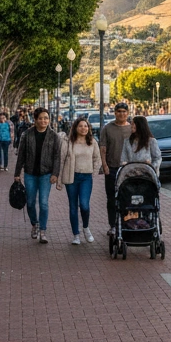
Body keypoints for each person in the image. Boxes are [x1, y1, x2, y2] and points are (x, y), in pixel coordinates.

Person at [13, 107, 61, 243]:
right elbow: (21, 155)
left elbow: (57, 157)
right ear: (35, 120)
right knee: (30, 202)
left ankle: (43, 230)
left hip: (46, 174)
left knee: (44, 203)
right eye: (40, 118)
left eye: (46, 118)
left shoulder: (54, 136)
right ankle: (35, 224)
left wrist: (55, 174)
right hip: (30, 174)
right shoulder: (27, 135)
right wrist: (17, 173)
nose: (43, 120)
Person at [57, 116, 102, 245]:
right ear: (75, 128)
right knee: (73, 206)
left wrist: (93, 172)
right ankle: (76, 235)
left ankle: (86, 228)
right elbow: (61, 160)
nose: (84, 128)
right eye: (81, 126)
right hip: (72, 177)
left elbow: (97, 159)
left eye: (86, 126)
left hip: (86, 177)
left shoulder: (92, 142)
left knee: (84, 205)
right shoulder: (69, 142)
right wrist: (59, 179)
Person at [99, 103, 133, 234]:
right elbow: (103, 148)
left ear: (128, 113)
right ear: (115, 113)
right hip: (112, 168)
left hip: (128, 169)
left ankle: (127, 223)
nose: (122, 114)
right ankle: (113, 225)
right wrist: (105, 165)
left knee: (128, 198)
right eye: (119, 111)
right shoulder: (107, 128)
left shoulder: (132, 128)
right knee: (111, 198)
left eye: (124, 111)